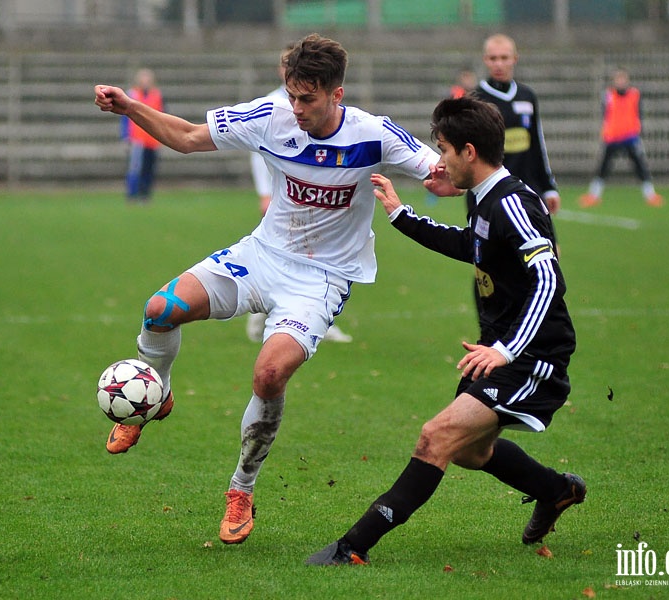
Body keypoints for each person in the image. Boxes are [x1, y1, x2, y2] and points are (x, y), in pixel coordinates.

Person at [93, 34, 457, 546]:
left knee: (269, 374)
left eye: (307, 98)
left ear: (337, 94)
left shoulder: (374, 135)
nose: (296, 108)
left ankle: (241, 489)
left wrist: (449, 180)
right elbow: (187, 137)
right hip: (261, 257)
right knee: (161, 309)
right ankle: (159, 393)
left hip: (322, 279)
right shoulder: (271, 115)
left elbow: (440, 173)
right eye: (292, 95)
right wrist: (132, 108)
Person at [307, 96, 585, 566]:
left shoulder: (512, 202)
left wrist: (506, 349)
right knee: (473, 453)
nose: (438, 160)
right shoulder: (483, 196)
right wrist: (401, 214)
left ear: (469, 152)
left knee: (435, 438)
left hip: (531, 354)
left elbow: (549, 278)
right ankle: (557, 490)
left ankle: (352, 547)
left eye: (443, 149)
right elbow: (471, 246)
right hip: (502, 350)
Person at [246, 44, 352, 344]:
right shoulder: (271, 104)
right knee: (285, 256)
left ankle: (317, 318)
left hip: (315, 193)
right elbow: (256, 154)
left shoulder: (319, 100)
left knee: (315, 255)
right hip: (285, 194)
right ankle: (260, 311)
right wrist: (264, 192)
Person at [473, 34, 560, 215]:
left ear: (515, 59)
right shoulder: (475, 99)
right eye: (493, 58)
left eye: (504, 58)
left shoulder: (526, 96)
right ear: (485, 60)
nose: (499, 64)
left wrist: (548, 186)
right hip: (490, 190)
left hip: (528, 187)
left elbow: (537, 142)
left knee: (547, 243)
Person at [579, 68, 663, 208]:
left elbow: (638, 114)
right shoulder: (608, 95)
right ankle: (594, 195)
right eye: (618, 79)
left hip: (630, 136)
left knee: (640, 166)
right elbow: (606, 114)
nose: (620, 82)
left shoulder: (634, 94)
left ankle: (650, 195)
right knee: (603, 167)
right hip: (612, 137)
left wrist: (638, 130)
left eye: (623, 79)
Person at [121, 68, 164, 202]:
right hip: (137, 139)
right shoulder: (132, 94)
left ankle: (145, 194)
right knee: (135, 168)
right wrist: (126, 136)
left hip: (152, 139)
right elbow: (125, 118)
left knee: (149, 168)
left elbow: (162, 117)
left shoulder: (157, 95)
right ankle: (132, 194)